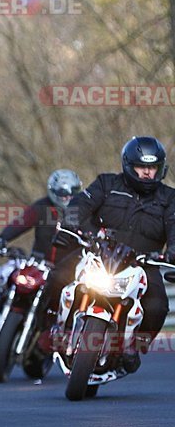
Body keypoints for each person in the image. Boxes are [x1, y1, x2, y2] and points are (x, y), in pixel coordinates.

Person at [44, 136, 175, 373]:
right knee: (57, 276)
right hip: (99, 253)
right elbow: (78, 206)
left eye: (152, 168)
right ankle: (50, 328)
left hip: (143, 263)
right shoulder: (107, 184)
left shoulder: (170, 199)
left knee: (158, 307)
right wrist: (68, 226)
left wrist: (172, 255)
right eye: (141, 167)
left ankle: (133, 347)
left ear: (160, 168)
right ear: (128, 165)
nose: (147, 173)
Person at [0, 169, 82, 308]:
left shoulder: (84, 209)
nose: (67, 197)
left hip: (69, 272)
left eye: (72, 191)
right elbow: (21, 222)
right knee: (12, 280)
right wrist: (2, 238)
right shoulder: (41, 207)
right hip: (39, 266)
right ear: (53, 191)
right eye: (62, 193)